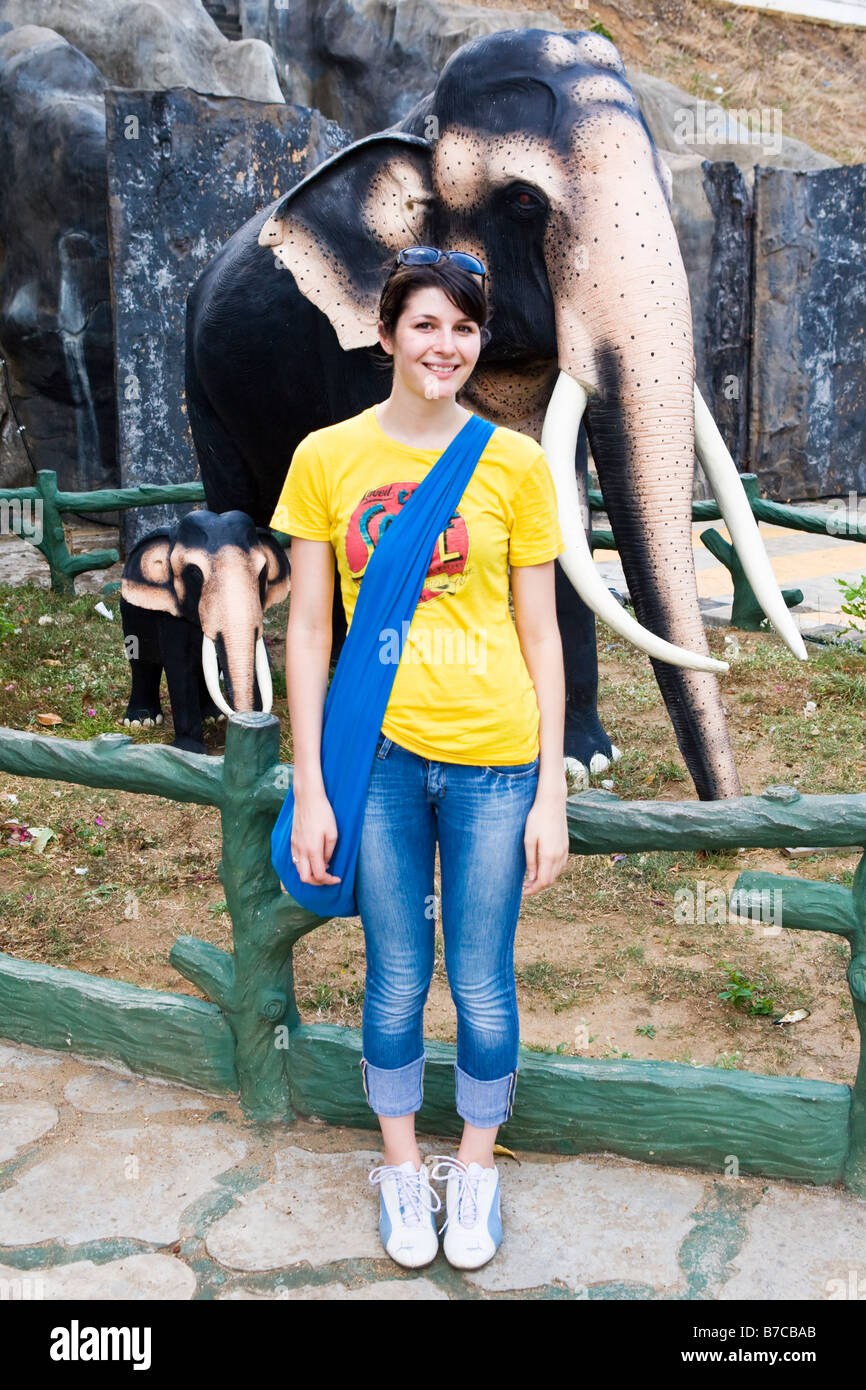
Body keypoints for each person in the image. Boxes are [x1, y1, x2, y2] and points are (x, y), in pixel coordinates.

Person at [269, 246, 570, 1271]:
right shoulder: (325, 458)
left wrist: (551, 793)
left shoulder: (514, 463)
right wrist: (312, 784)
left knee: (481, 980)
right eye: (426, 324)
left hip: (496, 762)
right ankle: (402, 1166)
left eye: (464, 327)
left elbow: (542, 635)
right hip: (382, 762)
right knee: (395, 974)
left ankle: (474, 1164)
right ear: (387, 333)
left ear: (477, 341)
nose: (445, 345)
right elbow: (308, 630)